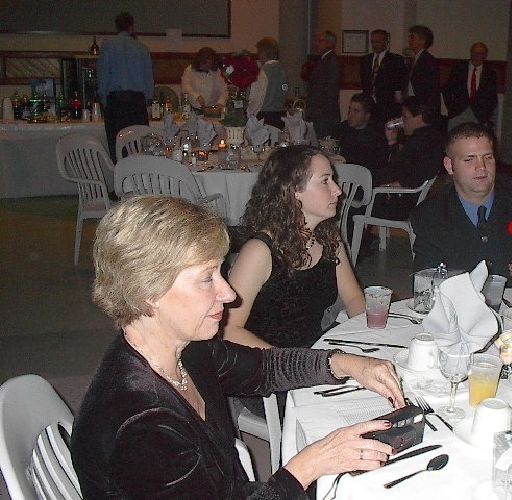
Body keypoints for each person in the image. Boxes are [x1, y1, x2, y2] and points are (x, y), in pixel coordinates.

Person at [71, 196, 404, 499]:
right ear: (149, 292)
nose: (229, 294)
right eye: (207, 278)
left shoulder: (184, 348)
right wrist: (308, 465)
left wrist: (344, 363)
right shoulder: (140, 426)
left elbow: (265, 368)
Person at [224, 145, 365, 351]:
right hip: (264, 359)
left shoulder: (328, 238)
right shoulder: (260, 252)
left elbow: (353, 298)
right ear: (294, 190)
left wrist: (369, 335)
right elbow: (229, 330)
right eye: (325, 181)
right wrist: (292, 363)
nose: (337, 190)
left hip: (312, 350)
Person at [410, 122, 512, 287]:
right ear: (449, 166)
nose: (481, 167)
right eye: (469, 159)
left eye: (488, 157)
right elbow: (424, 284)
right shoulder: (430, 215)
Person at [372, 96, 444, 220]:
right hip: (413, 200)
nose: (402, 122)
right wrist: (392, 142)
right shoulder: (431, 137)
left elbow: (396, 170)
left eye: (405, 117)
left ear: (419, 118)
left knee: (356, 200)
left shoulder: (419, 141)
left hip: (403, 202)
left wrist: (395, 184)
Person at [97, 11, 153, 163]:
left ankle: (120, 175)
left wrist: (104, 102)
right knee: (138, 146)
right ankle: (138, 176)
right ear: (131, 27)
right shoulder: (142, 48)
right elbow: (148, 80)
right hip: (137, 103)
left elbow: (102, 76)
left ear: (117, 27)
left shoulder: (108, 45)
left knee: (118, 147)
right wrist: (146, 101)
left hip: (116, 103)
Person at [442, 42, 498, 131]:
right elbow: (447, 90)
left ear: (485, 55)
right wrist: (451, 109)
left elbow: (492, 98)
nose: (476, 55)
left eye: (480, 53)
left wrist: (486, 115)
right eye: (474, 52)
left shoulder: (490, 74)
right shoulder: (459, 69)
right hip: (458, 113)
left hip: (479, 116)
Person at [334, 93, 388, 181]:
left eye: (356, 111)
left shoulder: (375, 136)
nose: (350, 114)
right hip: (343, 174)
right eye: (350, 109)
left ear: (367, 115)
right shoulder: (343, 128)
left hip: (363, 178)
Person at [360, 29, 406, 124]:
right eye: (372, 42)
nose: (374, 45)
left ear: (385, 42)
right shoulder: (365, 60)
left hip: (387, 104)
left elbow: (398, 84)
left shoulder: (395, 60)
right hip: (369, 103)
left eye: (377, 42)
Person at [247, 37, 288, 129]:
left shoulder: (262, 72)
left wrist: (249, 113)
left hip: (264, 117)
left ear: (262, 53)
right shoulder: (282, 70)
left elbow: (257, 97)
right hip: (279, 116)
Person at [306, 31, 341, 138]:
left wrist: (319, 111)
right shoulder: (323, 60)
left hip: (325, 115)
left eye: (320, 41)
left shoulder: (332, 61)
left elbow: (331, 91)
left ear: (330, 43)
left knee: (324, 142)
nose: (316, 44)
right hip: (320, 114)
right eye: (316, 41)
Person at [181, 47, 228, 114]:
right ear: (200, 61)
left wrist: (220, 103)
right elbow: (186, 87)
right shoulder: (190, 70)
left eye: (210, 63)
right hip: (195, 109)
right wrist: (197, 96)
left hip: (213, 109)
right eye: (205, 63)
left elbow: (223, 90)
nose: (208, 65)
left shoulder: (216, 71)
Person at [404, 25, 440, 113]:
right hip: (412, 102)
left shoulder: (429, 60)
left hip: (422, 105)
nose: (409, 40)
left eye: (412, 37)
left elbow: (430, 88)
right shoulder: (413, 59)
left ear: (422, 41)